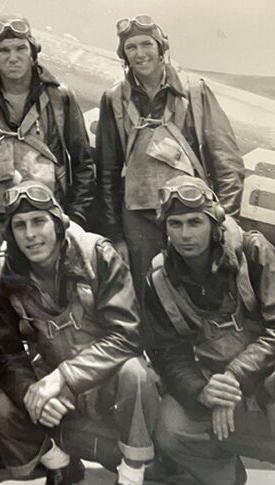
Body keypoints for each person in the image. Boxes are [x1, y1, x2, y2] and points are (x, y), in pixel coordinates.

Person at [0, 181, 158, 485]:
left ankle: (129, 484)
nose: (31, 235)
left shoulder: (98, 255)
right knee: (1, 403)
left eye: (39, 222)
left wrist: (64, 376)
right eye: (20, 226)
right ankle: (60, 466)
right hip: (58, 390)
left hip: (106, 386)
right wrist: (30, 394)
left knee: (136, 374)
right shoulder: (7, 275)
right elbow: (8, 352)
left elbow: (127, 334)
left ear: (58, 223)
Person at [146, 176, 275, 485]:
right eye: (175, 224)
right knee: (170, 427)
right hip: (213, 378)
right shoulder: (159, 278)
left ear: (215, 223)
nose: (185, 234)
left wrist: (234, 377)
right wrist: (201, 391)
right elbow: (167, 352)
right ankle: (224, 481)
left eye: (195, 222)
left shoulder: (253, 251)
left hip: (265, 374)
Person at [95, 15, 243, 293]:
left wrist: (225, 221)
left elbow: (227, 161)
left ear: (161, 48)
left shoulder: (195, 92)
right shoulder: (114, 99)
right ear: (123, 55)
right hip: (140, 219)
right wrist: (116, 236)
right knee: (149, 293)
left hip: (192, 211)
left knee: (201, 292)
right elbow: (107, 171)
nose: (139, 54)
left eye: (146, 44)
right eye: (131, 48)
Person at [0, 15, 94, 266]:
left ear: (33, 53)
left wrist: (75, 219)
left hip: (48, 222)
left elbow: (84, 164)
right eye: (3, 50)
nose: (12, 57)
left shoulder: (60, 99)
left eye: (20, 48)